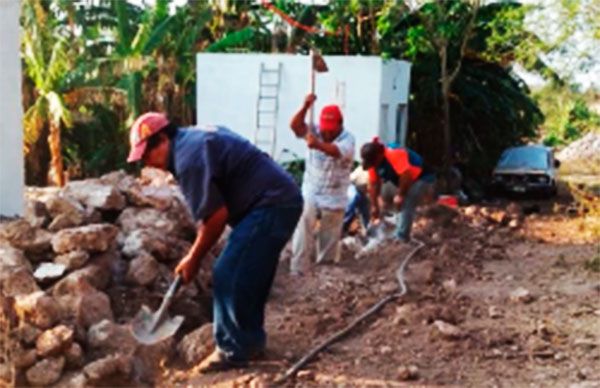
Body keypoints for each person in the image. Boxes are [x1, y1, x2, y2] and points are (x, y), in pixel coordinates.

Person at [127, 112, 303, 371]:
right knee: (249, 274)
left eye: (146, 156)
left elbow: (216, 218)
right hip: (278, 200)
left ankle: (233, 349)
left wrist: (194, 258)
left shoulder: (189, 159)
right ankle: (250, 342)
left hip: (271, 205)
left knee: (227, 273)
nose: (148, 164)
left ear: (162, 139)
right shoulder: (191, 141)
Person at [289, 94, 355, 275]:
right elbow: (295, 126)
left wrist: (317, 144)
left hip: (335, 193)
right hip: (312, 188)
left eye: (331, 131)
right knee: (303, 223)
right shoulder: (315, 130)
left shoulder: (348, 140)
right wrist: (305, 107)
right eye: (325, 130)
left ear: (340, 125)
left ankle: (325, 272)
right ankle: (298, 268)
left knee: (329, 235)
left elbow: (335, 151)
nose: (326, 133)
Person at [360, 137, 436, 242]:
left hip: (422, 177)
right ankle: (393, 224)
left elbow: (406, 176)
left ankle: (402, 237)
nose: (372, 166)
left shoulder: (394, 154)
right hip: (403, 178)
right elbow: (373, 184)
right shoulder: (373, 163)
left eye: (373, 163)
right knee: (387, 196)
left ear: (379, 156)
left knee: (407, 200)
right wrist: (374, 206)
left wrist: (400, 195)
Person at [342, 166, 370, 235]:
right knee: (349, 207)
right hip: (354, 187)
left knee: (365, 211)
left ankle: (366, 229)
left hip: (363, 192)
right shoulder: (359, 172)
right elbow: (349, 180)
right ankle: (343, 227)